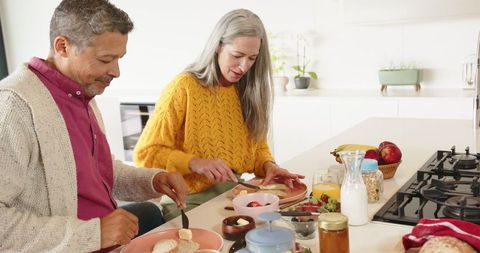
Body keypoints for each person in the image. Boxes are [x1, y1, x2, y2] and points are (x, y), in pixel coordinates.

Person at [0, 0, 188, 252]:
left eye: (119, 59)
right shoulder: (14, 107)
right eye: (106, 59)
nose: (116, 71)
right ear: (63, 46)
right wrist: (94, 233)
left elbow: (99, 173)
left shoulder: (82, 93)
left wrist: (153, 180)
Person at [134, 9, 304, 220]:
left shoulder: (247, 90)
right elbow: (146, 154)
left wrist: (269, 166)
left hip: (234, 197)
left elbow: (257, 147)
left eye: (252, 58)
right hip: (189, 203)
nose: (244, 67)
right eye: (237, 55)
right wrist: (195, 162)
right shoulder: (184, 87)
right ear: (217, 47)